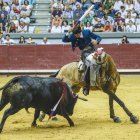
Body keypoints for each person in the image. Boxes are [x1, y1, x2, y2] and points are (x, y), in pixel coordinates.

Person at [62, 25, 102, 96]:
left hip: (92, 51)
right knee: (89, 64)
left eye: (77, 34)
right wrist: (68, 32)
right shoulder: (73, 36)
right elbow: (64, 40)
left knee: (102, 61)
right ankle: (86, 86)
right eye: (75, 34)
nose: (76, 36)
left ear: (80, 32)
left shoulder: (87, 32)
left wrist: (97, 41)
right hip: (84, 53)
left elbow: (98, 37)